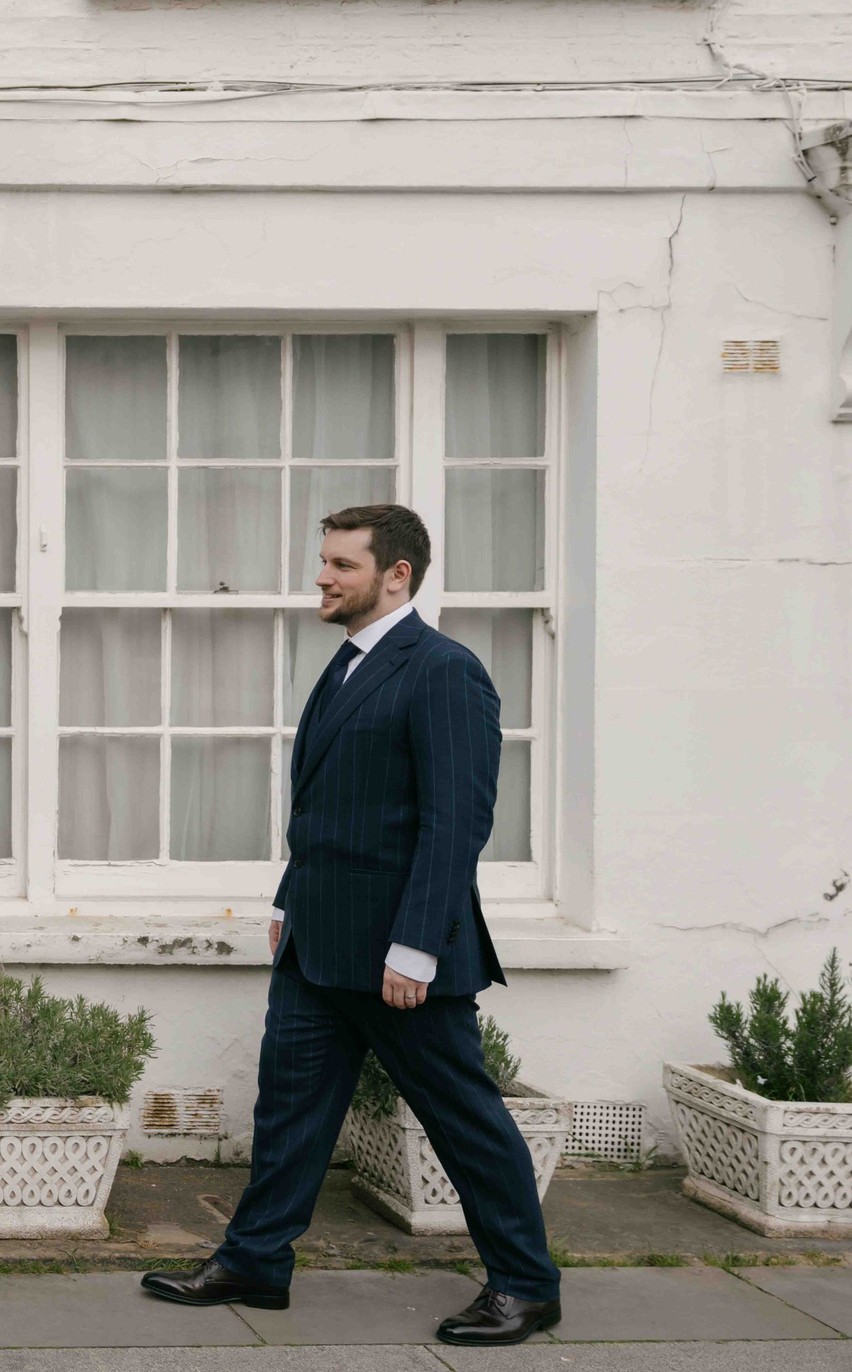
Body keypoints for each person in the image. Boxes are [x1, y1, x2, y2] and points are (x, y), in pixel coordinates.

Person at [139, 504, 562, 1347]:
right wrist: (287, 899)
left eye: (342, 563)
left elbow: (455, 822)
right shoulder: (347, 663)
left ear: (396, 574)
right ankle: (256, 1261)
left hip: (400, 960)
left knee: (465, 1121)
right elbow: (329, 805)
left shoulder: (444, 670)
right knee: (289, 1114)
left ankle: (526, 1284)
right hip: (316, 943)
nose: (323, 576)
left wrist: (416, 945)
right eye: (324, 560)